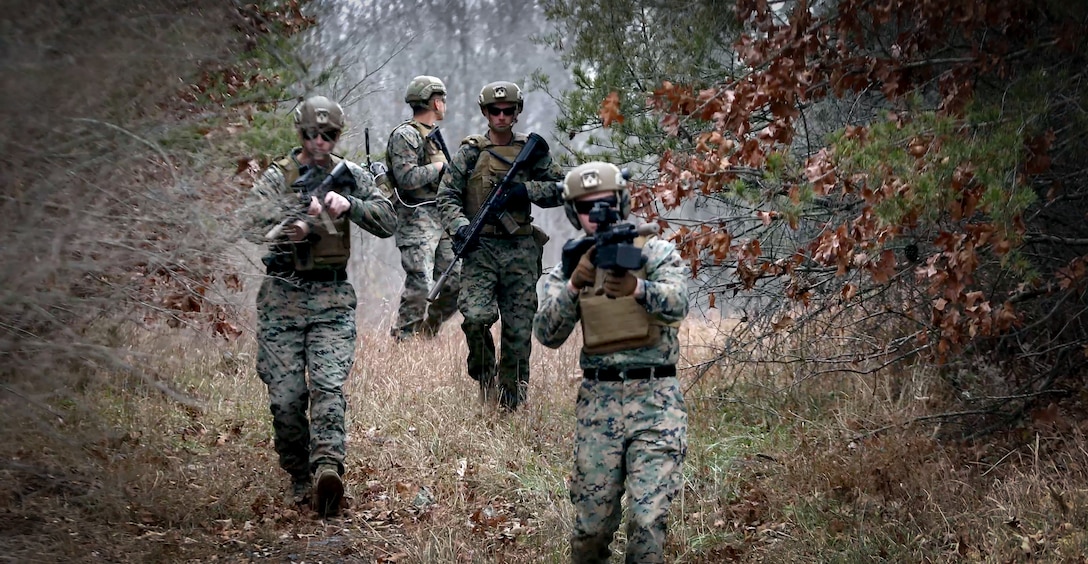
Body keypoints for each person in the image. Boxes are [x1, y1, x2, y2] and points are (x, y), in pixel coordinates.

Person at [244, 95, 397, 515]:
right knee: (286, 398)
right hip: (282, 298)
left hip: (331, 298)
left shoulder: (350, 175)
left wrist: (352, 205)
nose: (321, 143)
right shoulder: (280, 176)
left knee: (328, 387)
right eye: (313, 134)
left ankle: (328, 468)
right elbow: (248, 222)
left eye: (329, 135)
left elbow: (389, 219)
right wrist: (295, 215)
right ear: (300, 133)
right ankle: (297, 474)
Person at [533, 162, 689, 562]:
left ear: (620, 203)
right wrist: (574, 284)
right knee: (590, 529)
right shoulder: (570, 264)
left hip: (656, 402)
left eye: (604, 205)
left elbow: (678, 304)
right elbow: (547, 335)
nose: (595, 215)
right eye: (586, 208)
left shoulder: (653, 251)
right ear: (572, 212)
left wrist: (639, 288)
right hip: (598, 404)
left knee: (647, 521)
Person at [436, 80, 563, 410]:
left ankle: (511, 404)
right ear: (485, 112)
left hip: (520, 250)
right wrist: (460, 228)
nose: (502, 116)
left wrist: (526, 192)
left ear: (517, 112)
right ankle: (485, 377)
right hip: (481, 250)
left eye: (508, 111)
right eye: (495, 110)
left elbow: (561, 188)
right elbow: (447, 196)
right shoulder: (471, 152)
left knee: (519, 332)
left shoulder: (532, 151)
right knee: (475, 319)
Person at [386, 76, 459, 341]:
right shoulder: (406, 134)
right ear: (436, 102)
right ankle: (404, 342)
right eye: (443, 100)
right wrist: (439, 169)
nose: (444, 105)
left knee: (457, 282)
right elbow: (405, 178)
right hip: (415, 217)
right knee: (420, 284)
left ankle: (426, 333)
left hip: (441, 217)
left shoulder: (432, 136)